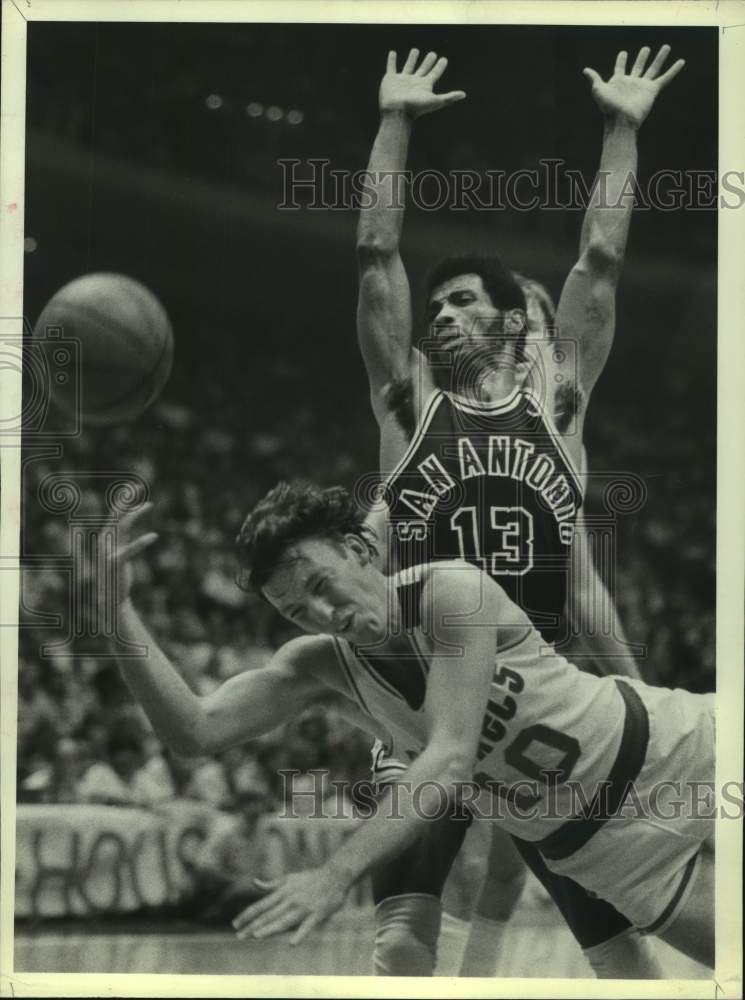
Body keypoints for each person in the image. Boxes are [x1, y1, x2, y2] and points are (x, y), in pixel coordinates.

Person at [352, 45, 685, 976]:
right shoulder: (407, 407)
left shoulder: (560, 411)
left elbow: (601, 259)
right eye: (440, 299)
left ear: (513, 325)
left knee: (627, 951)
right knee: (403, 941)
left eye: (467, 299)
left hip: (531, 706)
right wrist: (393, 123)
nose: (443, 312)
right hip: (423, 695)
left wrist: (621, 130)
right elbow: (376, 254)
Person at [105, 484, 715, 970]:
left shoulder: (453, 591)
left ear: (361, 551)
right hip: (607, 855)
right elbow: (195, 731)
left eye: (321, 585)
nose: (324, 615)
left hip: (682, 751)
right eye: (296, 612)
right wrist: (116, 614)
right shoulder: (319, 668)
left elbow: (449, 760)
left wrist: (336, 873)